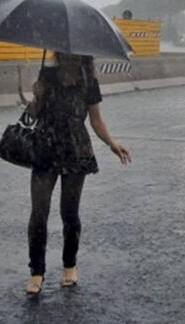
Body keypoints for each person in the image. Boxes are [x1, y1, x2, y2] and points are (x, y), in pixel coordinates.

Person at [24, 52, 131, 295]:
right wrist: (35, 99)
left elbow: (95, 120)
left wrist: (112, 144)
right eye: (64, 53)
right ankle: (36, 271)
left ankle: (69, 265)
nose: (68, 57)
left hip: (76, 150)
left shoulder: (88, 80)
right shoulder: (47, 75)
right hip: (45, 148)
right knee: (39, 212)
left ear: (82, 56)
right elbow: (35, 113)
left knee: (69, 213)